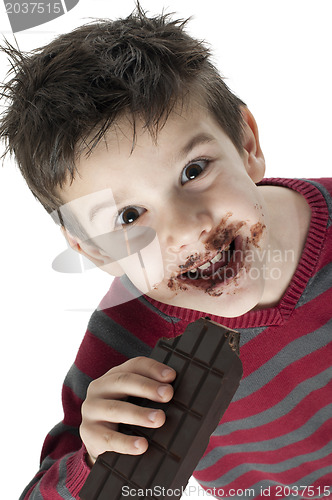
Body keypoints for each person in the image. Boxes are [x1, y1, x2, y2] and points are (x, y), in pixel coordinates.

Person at [1, 5, 331, 500]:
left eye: (194, 171)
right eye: (129, 217)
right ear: (92, 249)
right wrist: (97, 456)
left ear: (246, 142)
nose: (186, 229)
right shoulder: (128, 344)